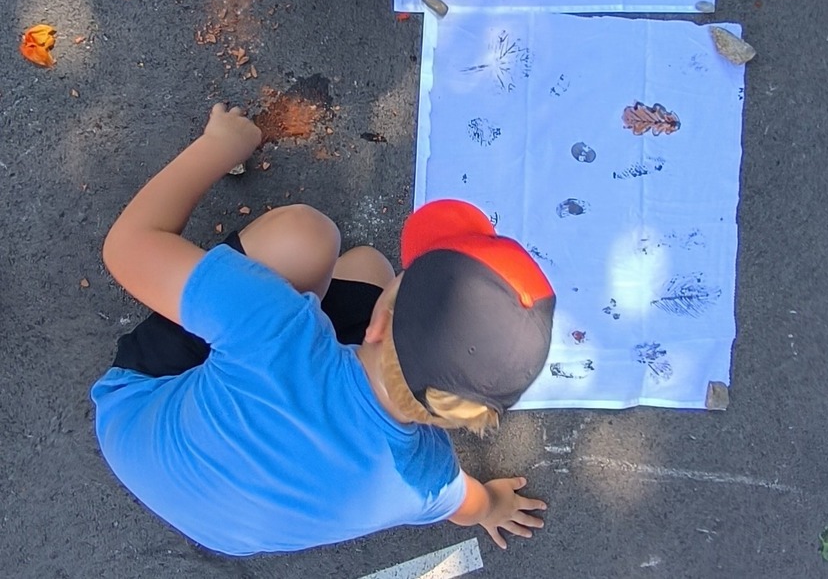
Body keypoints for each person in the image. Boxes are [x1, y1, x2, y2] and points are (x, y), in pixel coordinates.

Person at [94, 103, 557, 556]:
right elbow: (468, 504)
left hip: (137, 421)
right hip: (222, 531)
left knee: (310, 237)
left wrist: (220, 146)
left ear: (380, 320)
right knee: (366, 267)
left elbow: (126, 246)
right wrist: (494, 507)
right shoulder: (428, 477)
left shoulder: (271, 325)